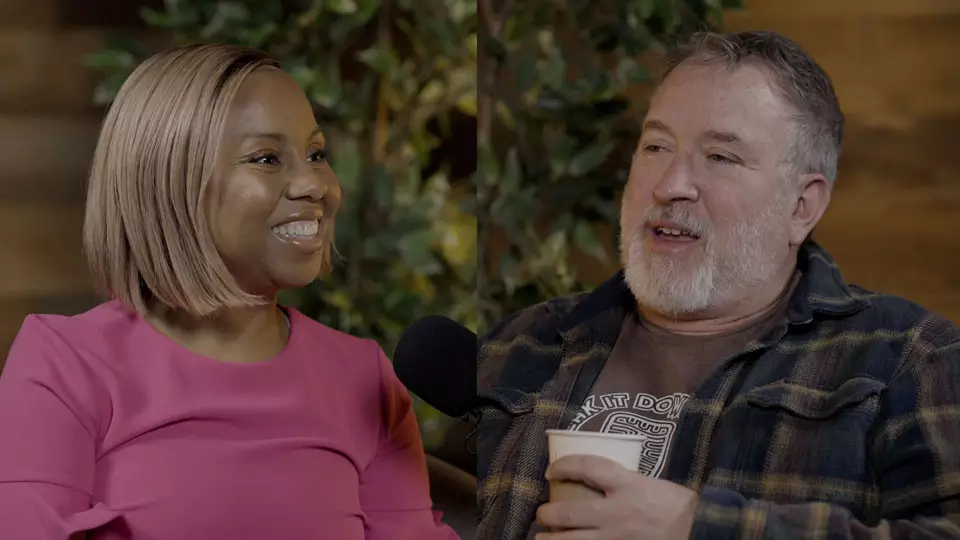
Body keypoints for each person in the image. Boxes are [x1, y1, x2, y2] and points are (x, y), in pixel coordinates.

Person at [477, 30, 960, 539]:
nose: (670, 185)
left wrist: (699, 528)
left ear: (802, 207)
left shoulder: (909, 359)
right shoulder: (520, 344)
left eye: (721, 157)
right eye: (656, 146)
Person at [0, 44, 458, 540]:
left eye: (317, 154)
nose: (315, 185)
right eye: (266, 158)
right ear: (169, 179)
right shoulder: (65, 366)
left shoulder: (364, 379)